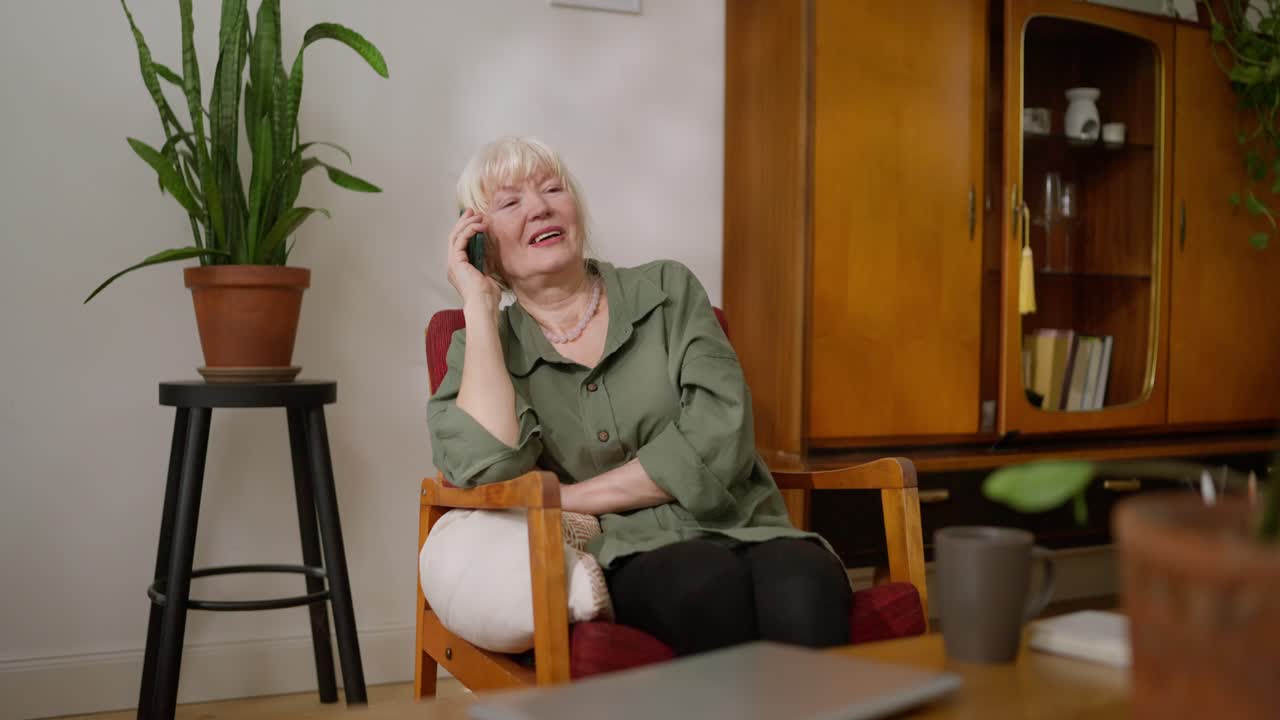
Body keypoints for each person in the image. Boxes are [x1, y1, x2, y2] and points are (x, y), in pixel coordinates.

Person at [428, 136, 851, 656]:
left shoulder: (670, 290)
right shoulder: (479, 348)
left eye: (553, 188)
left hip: (743, 524)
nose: (540, 207)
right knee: (703, 585)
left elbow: (721, 434)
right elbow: (492, 473)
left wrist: (566, 498)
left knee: (807, 584)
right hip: (621, 550)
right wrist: (478, 304)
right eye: (511, 202)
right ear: (479, 243)